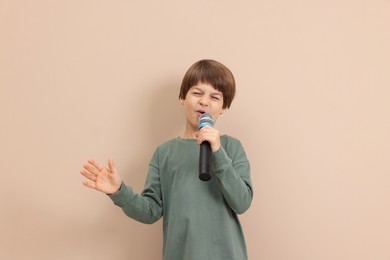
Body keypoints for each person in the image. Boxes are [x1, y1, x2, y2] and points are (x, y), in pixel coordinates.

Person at [80, 59, 253, 260]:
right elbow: (150, 211)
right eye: (197, 93)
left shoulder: (232, 147)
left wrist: (218, 152)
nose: (204, 102)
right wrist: (119, 191)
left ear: (225, 107)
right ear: (182, 97)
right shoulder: (164, 153)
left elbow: (242, 202)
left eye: (214, 97)